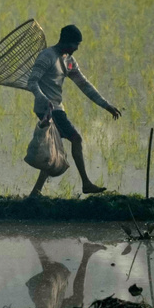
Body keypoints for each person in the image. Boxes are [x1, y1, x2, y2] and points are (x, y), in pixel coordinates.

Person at [26, 24, 121, 197]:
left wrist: (106, 105)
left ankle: (35, 192)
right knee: (76, 139)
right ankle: (86, 183)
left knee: (54, 150)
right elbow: (32, 82)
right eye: (75, 44)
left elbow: (84, 84)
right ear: (65, 41)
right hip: (48, 109)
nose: (77, 48)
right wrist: (43, 99)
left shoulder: (68, 61)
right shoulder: (47, 56)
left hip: (57, 108)